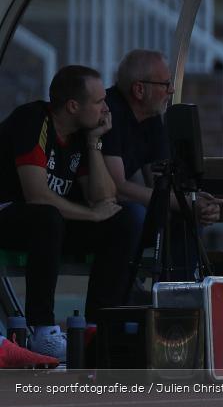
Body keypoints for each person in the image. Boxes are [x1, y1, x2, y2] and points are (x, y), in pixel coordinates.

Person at [0, 66, 141, 361]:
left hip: (49, 226)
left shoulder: (81, 134)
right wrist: (91, 215)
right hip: (9, 215)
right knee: (47, 216)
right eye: (99, 101)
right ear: (73, 106)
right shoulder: (34, 120)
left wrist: (95, 141)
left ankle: (98, 325)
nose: (107, 108)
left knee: (122, 220)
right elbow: (35, 194)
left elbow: (104, 198)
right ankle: (43, 330)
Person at [101, 50, 222, 281]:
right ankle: (128, 300)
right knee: (134, 214)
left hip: (117, 212)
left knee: (183, 219)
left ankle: (177, 302)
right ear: (139, 89)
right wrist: (185, 203)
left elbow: (163, 183)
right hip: (87, 210)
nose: (171, 90)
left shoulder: (152, 117)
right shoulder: (109, 111)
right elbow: (117, 187)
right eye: (165, 84)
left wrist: (196, 203)